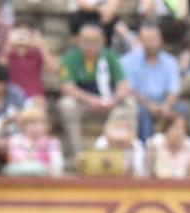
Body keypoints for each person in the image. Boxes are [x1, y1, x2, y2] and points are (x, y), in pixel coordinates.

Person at [57, 23, 133, 161]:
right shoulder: (71, 57)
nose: (90, 45)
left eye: (94, 41)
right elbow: (67, 86)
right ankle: (78, 154)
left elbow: (123, 84)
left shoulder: (110, 56)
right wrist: (90, 100)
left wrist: (114, 99)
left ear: (103, 41)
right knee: (66, 104)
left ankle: (126, 153)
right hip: (84, 102)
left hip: (109, 101)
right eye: (86, 41)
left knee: (130, 103)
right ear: (79, 41)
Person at [120, 20, 182, 142]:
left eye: (153, 39)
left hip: (163, 101)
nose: (150, 44)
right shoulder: (127, 61)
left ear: (161, 40)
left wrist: (166, 105)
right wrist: (149, 105)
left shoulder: (170, 62)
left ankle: (178, 150)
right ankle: (147, 150)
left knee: (182, 111)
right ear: (140, 40)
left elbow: (174, 89)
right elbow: (130, 89)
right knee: (142, 113)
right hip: (140, 102)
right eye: (146, 40)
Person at [3, 102, 62, 175]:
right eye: (30, 123)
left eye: (40, 123)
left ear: (46, 125)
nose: (35, 127)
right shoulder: (15, 140)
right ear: (22, 126)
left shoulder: (52, 142)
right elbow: (16, 160)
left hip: (45, 179)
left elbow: (57, 164)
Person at [5, 26, 54, 105]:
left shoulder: (36, 52)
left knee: (39, 105)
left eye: (25, 34)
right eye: (19, 34)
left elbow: (54, 68)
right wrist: (8, 44)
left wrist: (41, 45)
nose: (22, 38)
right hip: (13, 96)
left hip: (34, 95)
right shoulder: (9, 53)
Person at [147, 112, 190, 178]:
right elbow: (147, 172)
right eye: (175, 127)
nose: (179, 132)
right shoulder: (155, 143)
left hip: (183, 186)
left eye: (183, 128)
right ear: (166, 129)